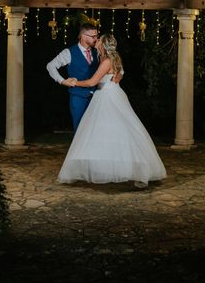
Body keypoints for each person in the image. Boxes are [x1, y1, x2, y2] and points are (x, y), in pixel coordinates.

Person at [57, 34, 167, 188]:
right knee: (117, 130)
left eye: (99, 40)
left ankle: (127, 170)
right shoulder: (113, 59)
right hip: (115, 93)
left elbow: (92, 82)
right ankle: (111, 167)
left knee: (104, 130)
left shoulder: (107, 61)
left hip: (106, 96)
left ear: (104, 44)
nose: (96, 41)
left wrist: (74, 82)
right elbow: (119, 76)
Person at [46, 23, 121, 133]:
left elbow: (115, 64)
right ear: (83, 36)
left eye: (97, 36)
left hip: (98, 97)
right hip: (78, 98)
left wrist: (119, 75)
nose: (96, 39)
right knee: (80, 130)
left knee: (98, 131)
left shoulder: (99, 51)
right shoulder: (69, 52)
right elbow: (50, 66)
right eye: (93, 36)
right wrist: (62, 81)